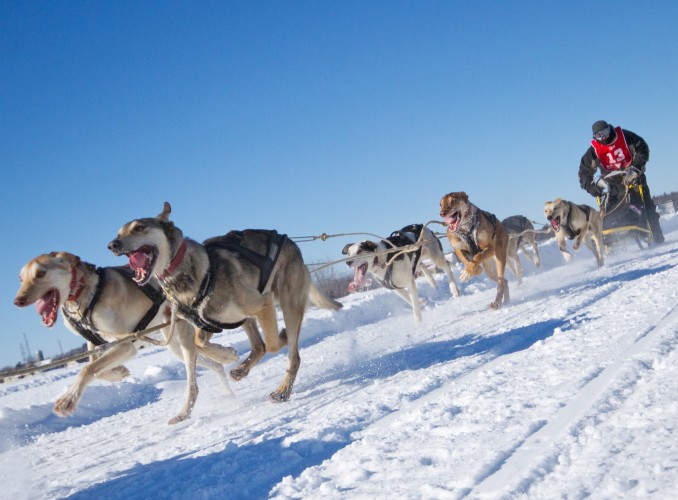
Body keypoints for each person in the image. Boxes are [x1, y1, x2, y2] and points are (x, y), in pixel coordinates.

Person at [578, 120, 664, 243]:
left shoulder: (625, 136)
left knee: (647, 207)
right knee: (610, 209)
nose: (603, 137)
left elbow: (642, 148)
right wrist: (590, 186)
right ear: (595, 137)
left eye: (605, 132)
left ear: (609, 129)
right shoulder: (594, 151)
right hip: (612, 184)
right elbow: (584, 172)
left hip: (634, 177)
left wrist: (636, 166)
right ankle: (610, 236)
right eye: (599, 135)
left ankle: (657, 238)